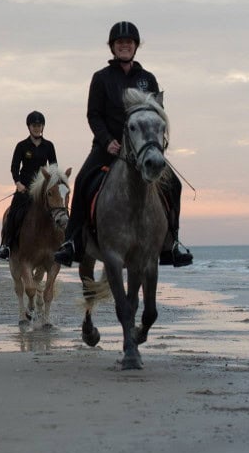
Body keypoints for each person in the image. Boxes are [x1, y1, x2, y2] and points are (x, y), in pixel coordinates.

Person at [54, 21, 192, 268]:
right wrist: (107, 141)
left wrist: (154, 144)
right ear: (113, 48)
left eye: (129, 42)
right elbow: (93, 115)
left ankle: (172, 244)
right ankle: (72, 242)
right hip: (109, 148)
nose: (125, 46)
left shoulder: (147, 79)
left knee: (175, 185)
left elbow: (156, 114)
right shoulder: (101, 78)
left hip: (141, 148)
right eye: (120, 43)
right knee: (83, 179)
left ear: (135, 46)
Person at [0, 111, 58, 260]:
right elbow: (14, 167)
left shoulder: (49, 146)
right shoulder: (22, 146)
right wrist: (18, 184)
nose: (37, 128)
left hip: (42, 189)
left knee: (59, 210)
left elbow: (54, 167)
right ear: (29, 127)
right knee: (13, 214)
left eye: (39, 125)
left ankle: (63, 245)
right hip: (24, 188)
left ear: (43, 127)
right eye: (34, 125)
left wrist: (52, 185)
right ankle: (7, 246)